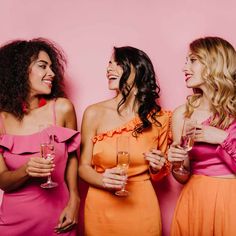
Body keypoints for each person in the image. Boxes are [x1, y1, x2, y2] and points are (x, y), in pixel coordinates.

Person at [79, 46, 171, 236]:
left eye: (118, 63)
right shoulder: (94, 113)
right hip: (100, 210)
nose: (109, 69)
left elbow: (160, 175)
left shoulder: (159, 118)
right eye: (109, 64)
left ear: (138, 69)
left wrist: (157, 167)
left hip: (142, 209)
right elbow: (83, 167)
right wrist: (102, 180)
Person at [0, 38, 80, 235]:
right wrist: (25, 170)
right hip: (13, 221)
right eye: (42, 66)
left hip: (58, 218)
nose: (52, 73)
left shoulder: (62, 108)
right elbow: (3, 182)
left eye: (52, 67)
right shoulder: (1, 120)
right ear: (18, 71)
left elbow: (72, 158)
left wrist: (74, 201)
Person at [168, 36, 236, 235]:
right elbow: (182, 176)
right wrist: (178, 163)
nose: (185, 67)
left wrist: (221, 138)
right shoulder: (182, 113)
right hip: (196, 200)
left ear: (214, 63)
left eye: (193, 60)